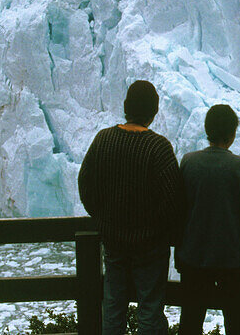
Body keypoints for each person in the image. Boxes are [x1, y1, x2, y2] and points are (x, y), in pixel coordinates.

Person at [78, 80, 183, 335]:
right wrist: (153, 228)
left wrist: (104, 218)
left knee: (113, 309)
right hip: (150, 247)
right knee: (149, 311)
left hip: (113, 241)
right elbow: (173, 200)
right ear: (154, 111)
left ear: (126, 107)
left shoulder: (104, 139)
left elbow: (85, 185)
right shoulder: (159, 148)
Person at [176, 104, 240, 335]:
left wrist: (179, 256)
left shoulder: (188, 162)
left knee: (190, 324)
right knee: (237, 325)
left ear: (207, 130)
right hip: (233, 263)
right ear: (233, 134)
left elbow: (178, 215)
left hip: (194, 259)